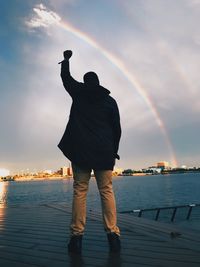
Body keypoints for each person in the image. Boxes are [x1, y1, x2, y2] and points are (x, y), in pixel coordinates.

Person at [58, 50, 121, 254]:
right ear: (98, 82)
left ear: (85, 82)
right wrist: (115, 150)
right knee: (107, 191)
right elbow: (117, 129)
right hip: (104, 153)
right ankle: (113, 235)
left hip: (81, 153)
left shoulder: (78, 92)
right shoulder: (110, 101)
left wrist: (66, 60)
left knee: (80, 190)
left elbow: (65, 78)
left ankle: (76, 237)